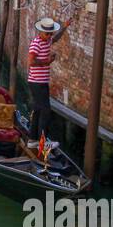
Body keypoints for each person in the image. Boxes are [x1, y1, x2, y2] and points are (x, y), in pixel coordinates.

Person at [27, 15, 72, 143]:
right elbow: (30, 62)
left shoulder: (47, 40)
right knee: (45, 111)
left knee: (37, 110)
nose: (49, 36)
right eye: (47, 34)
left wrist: (64, 27)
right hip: (36, 82)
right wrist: (47, 62)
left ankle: (32, 139)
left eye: (50, 34)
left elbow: (56, 38)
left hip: (41, 82)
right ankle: (43, 141)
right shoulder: (36, 43)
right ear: (41, 32)